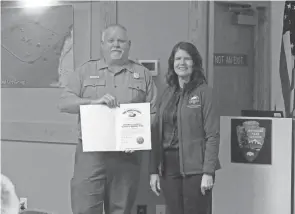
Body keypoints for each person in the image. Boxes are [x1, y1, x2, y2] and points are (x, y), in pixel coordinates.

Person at [59, 24, 157, 214]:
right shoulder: (85, 71)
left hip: (126, 157)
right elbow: (64, 103)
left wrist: (138, 135)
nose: (116, 45)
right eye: (111, 41)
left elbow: (153, 112)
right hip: (91, 156)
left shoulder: (142, 74)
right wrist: (92, 102)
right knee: (85, 209)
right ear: (102, 45)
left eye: (121, 41)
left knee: (121, 210)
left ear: (129, 45)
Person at [149, 42, 221, 214]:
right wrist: (153, 171)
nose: (182, 63)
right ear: (172, 63)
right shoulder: (167, 93)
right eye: (178, 58)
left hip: (196, 168)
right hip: (168, 167)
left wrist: (208, 172)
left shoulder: (204, 93)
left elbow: (213, 135)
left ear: (194, 63)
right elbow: (156, 133)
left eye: (187, 59)